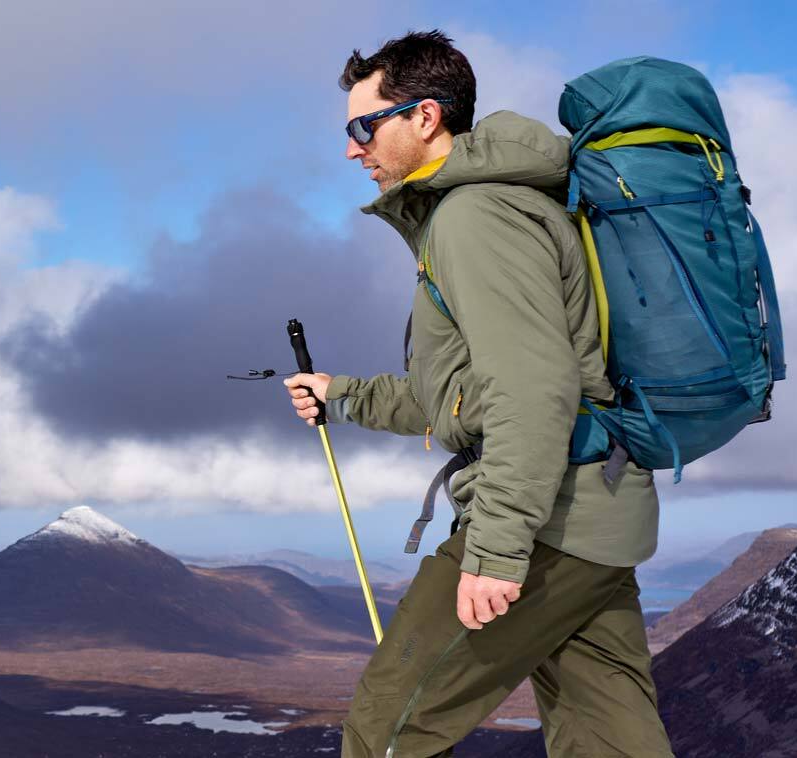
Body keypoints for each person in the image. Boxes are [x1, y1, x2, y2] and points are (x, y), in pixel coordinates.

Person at [283, 31, 673, 757]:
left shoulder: (475, 218)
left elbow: (532, 388)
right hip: (594, 516)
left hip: (547, 521)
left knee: (388, 728)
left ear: (425, 116)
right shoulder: (496, 208)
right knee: (609, 741)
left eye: (363, 128)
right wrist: (344, 395)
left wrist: (495, 551)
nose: (351, 150)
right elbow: (463, 399)